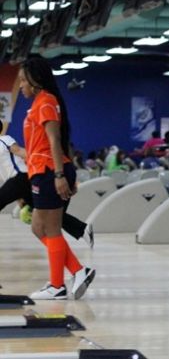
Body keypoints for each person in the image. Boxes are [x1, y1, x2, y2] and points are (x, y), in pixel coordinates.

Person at [18, 57, 95, 300]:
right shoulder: (41, 102)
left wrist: (61, 175)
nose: (21, 86)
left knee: (49, 228)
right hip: (42, 170)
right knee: (38, 227)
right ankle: (77, 271)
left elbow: (55, 140)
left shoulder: (46, 102)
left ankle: (57, 285)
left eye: (22, 80)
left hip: (51, 171)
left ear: (35, 80)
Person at [0, 121, 94, 248]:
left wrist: (38, 161)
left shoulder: (4, 139)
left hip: (22, 176)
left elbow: (19, 151)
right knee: (47, 213)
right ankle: (82, 230)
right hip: (18, 183)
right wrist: (20, 200)